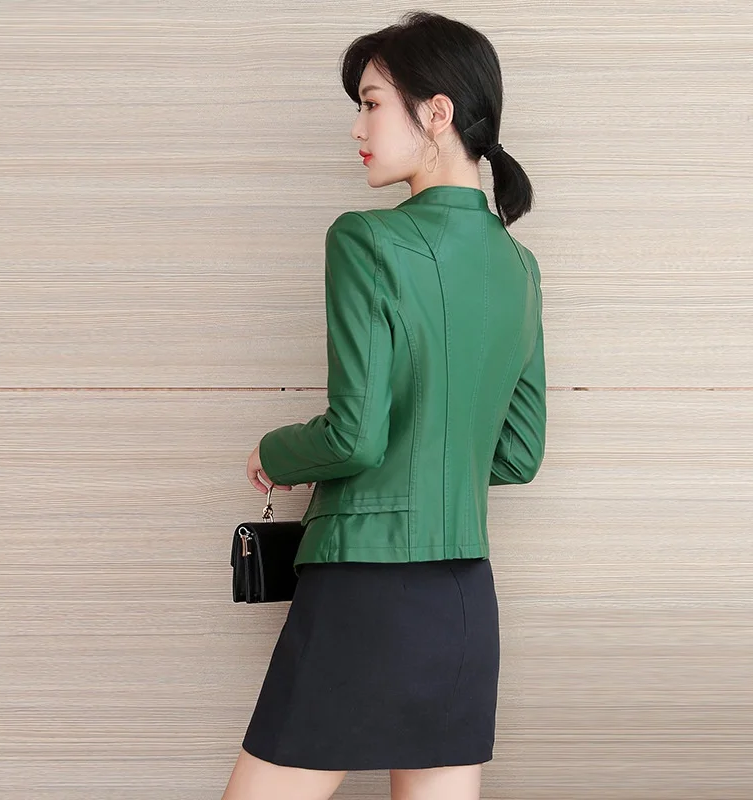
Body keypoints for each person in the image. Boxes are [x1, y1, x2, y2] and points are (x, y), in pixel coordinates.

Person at [222, 10, 546, 800]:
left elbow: (354, 438)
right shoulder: (518, 265)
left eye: (370, 104)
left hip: (366, 584)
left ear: (437, 112)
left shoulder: (367, 240)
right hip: (463, 596)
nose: (358, 128)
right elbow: (518, 454)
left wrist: (274, 452)